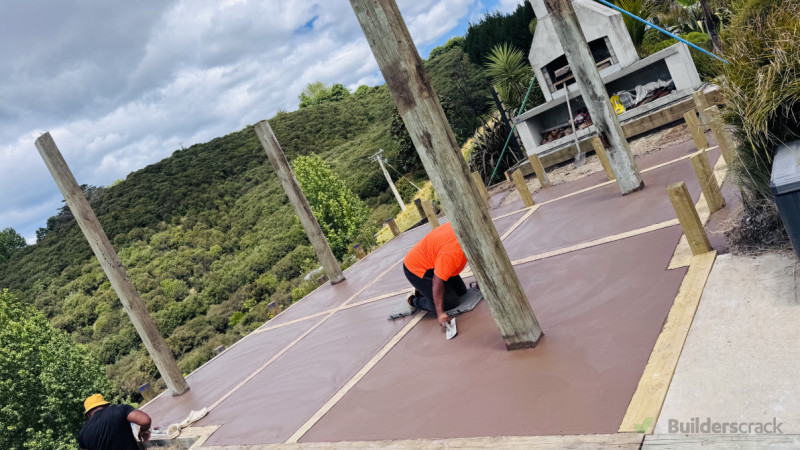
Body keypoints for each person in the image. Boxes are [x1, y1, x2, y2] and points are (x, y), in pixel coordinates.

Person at [403, 222, 468, 327]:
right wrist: (440, 313)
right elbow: (437, 280)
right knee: (450, 303)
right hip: (416, 269)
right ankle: (413, 300)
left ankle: (421, 290)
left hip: (434, 262)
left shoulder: (461, 227)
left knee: (461, 291)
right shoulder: (452, 252)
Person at [78, 394, 151, 450]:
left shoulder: (83, 434)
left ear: (88, 415)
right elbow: (145, 420)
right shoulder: (119, 410)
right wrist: (143, 430)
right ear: (106, 405)